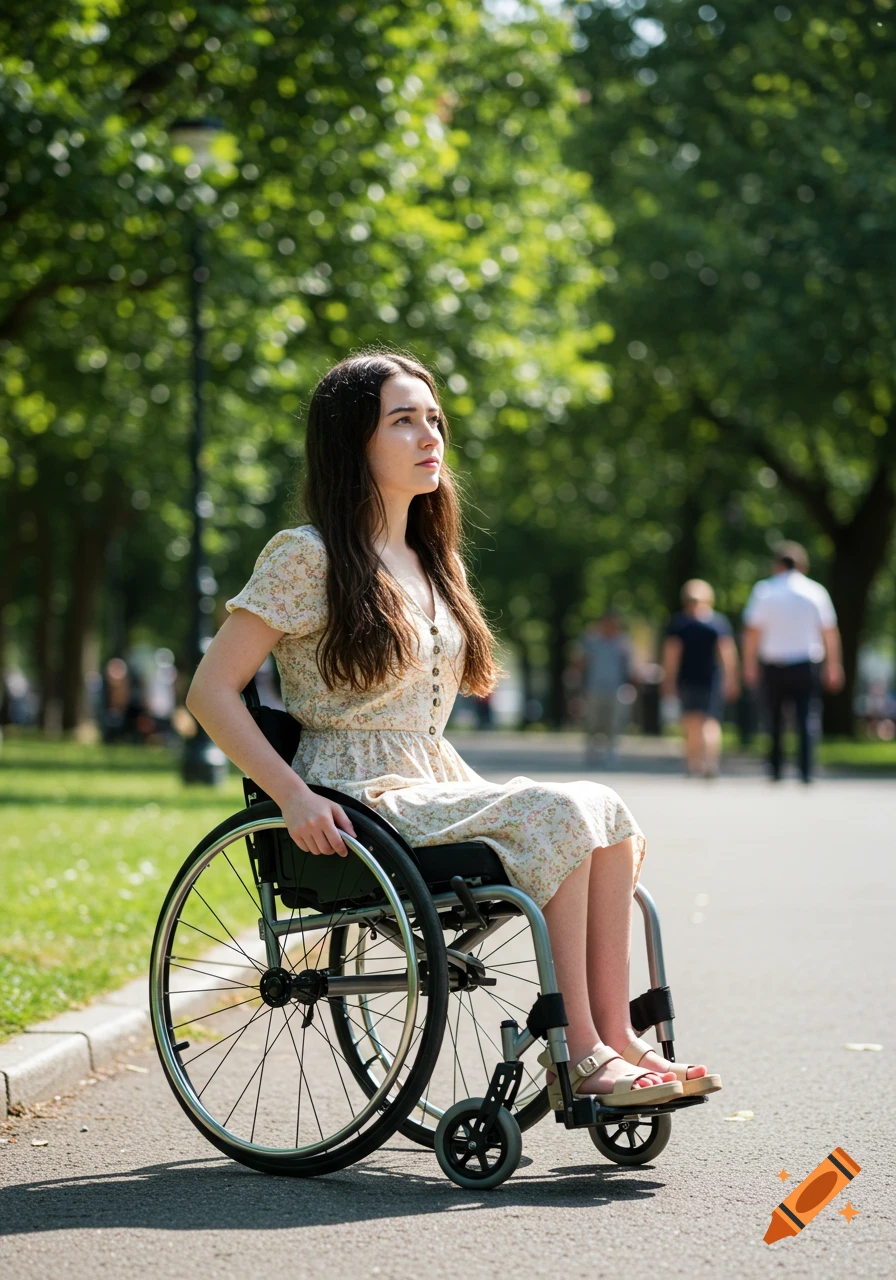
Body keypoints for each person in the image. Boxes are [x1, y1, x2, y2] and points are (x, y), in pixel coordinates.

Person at [186, 351, 718, 1109]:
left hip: (433, 777)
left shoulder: (433, 563)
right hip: (355, 792)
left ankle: (619, 1041)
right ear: (352, 442)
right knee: (559, 812)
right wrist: (292, 797)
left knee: (609, 811)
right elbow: (210, 692)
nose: (429, 434)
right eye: (403, 420)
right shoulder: (306, 557)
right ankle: (584, 1053)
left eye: (433, 419)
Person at [742, 542, 843, 783]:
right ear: (802, 565)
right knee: (806, 717)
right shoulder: (815, 592)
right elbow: (829, 632)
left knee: (773, 719)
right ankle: (805, 771)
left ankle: (775, 770)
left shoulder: (764, 591)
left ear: (778, 565)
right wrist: (833, 665)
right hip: (806, 664)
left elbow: (752, 632)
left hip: (773, 664)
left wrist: (749, 664)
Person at [662, 580, 740, 778]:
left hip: (687, 680)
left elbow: (672, 656)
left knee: (690, 723)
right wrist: (731, 678)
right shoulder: (717, 623)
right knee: (710, 722)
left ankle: (693, 764)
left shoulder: (680, 624)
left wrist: (668, 680)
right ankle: (710, 763)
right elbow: (727, 653)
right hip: (711, 679)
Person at [573, 610, 632, 765]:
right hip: (594, 688)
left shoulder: (623, 643)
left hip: (616, 688)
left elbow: (630, 666)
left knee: (613, 721)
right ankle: (591, 750)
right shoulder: (591, 641)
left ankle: (611, 751)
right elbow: (581, 662)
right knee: (592, 720)